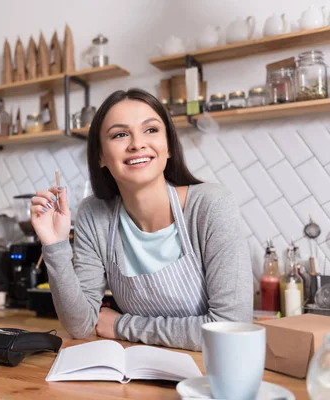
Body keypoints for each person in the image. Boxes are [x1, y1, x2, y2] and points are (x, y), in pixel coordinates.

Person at [31, 88, 252, 351]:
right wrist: (55, 245)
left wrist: (121, 325)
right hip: (134, 376)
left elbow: (230, 329)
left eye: (151, 130)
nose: (137, 143)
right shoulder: (94, 214)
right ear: (100, 156)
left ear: (168, 146)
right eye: (120, 134)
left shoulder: (211, 205)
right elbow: (80, 324)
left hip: (207, 376)